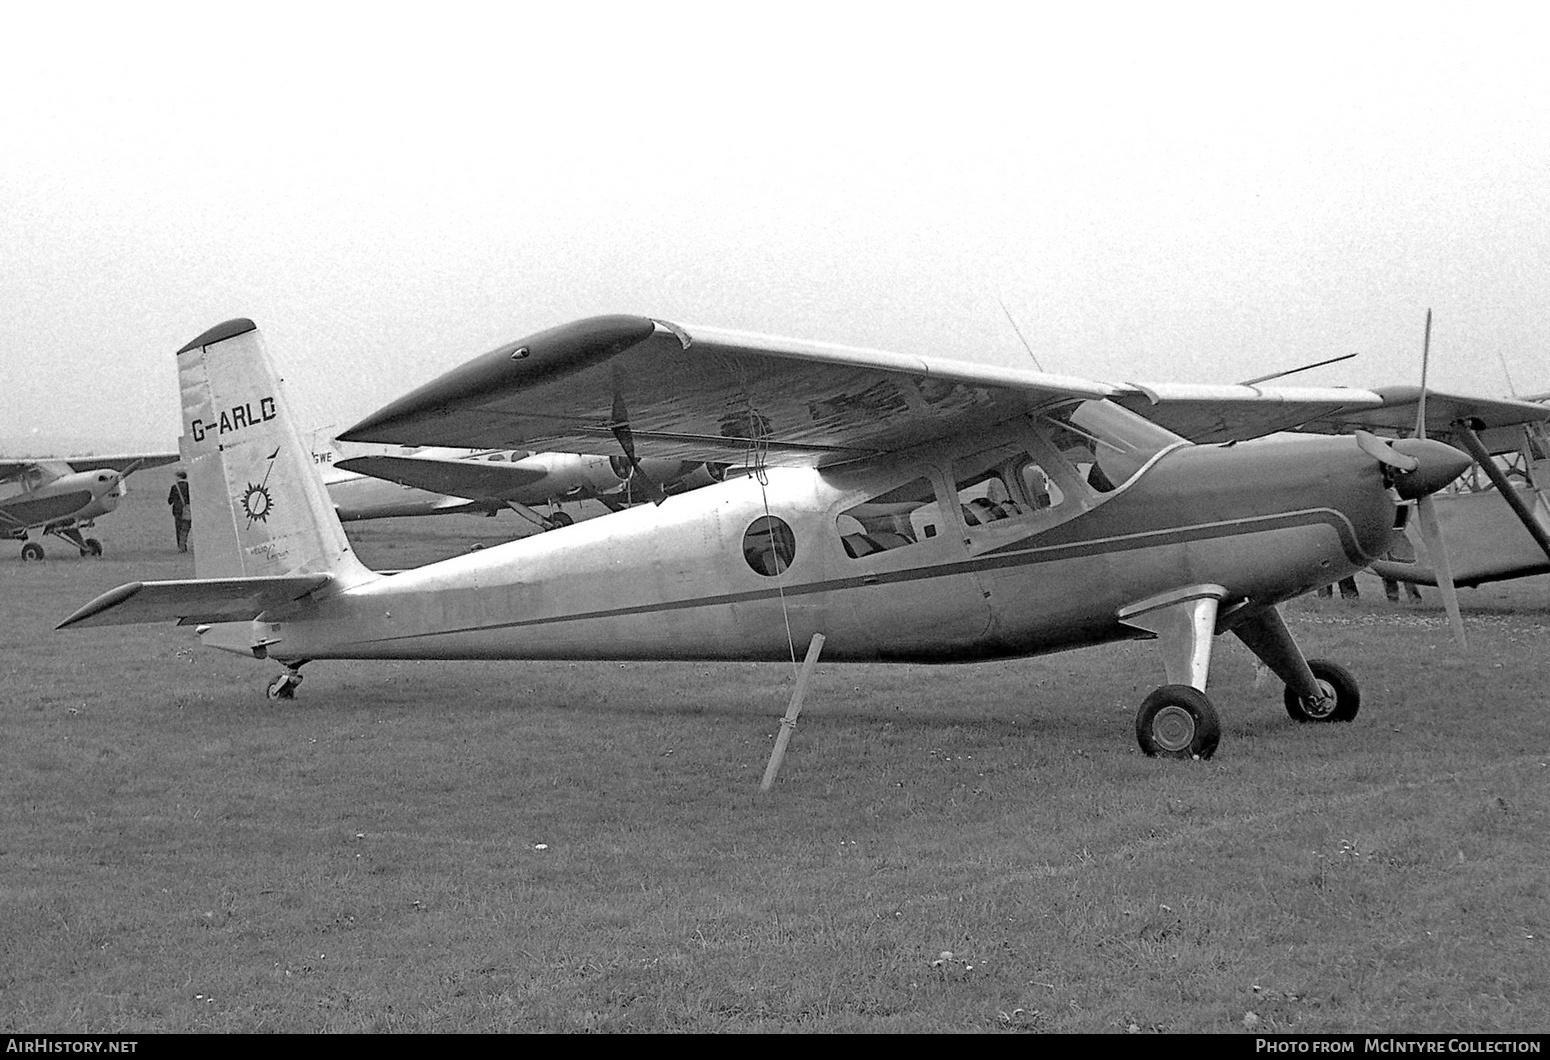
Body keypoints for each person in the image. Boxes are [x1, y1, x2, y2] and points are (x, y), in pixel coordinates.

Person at [167, 471, 191, 552]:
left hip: (177, 510)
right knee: (186, 527)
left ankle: (180, 546)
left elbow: (170, 500)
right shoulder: (189, 486)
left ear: (179, 477)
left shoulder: (174, 487)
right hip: (188, 510)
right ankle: (184, 543)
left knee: (179, 528)